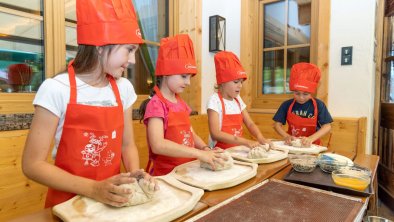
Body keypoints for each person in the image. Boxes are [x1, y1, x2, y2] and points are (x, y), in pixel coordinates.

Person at [22, 0, 157, 208]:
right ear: (101, 46)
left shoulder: (124, 89)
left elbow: (126, 144)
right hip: (67, 205)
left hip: (111, 202)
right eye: (129, 50)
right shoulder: (56, 89)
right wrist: (94, 189)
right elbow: (32, 165)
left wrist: (133, 176)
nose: (133, 61)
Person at [139, 34, 225, 176]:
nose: (188, 82)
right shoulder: (156, 105)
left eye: (190, 77)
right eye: (183, 76)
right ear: (166, 73)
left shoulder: (181, 103)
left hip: (188, 170)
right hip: (168, 176)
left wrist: (205, 148)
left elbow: (191, 134)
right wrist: (198, 153)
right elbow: (158, 145)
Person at [207, 51, 271, 149]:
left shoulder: (237, 100)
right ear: (222, 82)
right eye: (236, 82)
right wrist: (246, 142)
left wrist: (260, 137)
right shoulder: (215, 101)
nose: (240, 86)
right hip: (220, 152)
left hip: (237, 150)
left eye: (241, 82)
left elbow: (250, 123)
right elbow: (215, 133)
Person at [273, 62, 332, 147]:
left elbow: (327, 126)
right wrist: (286, 136)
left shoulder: (319, 105)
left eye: (305, 94)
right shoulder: (286, 105)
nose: (301, 97)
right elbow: (276, 125)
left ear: (312, 92)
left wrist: (311, 138)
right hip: (292, 144)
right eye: (297, 93)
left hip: (313, 146)